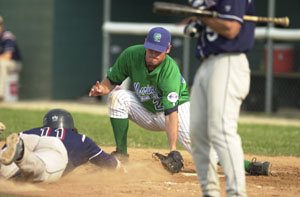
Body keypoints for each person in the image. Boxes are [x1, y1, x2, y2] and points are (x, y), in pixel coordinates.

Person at [88, 27, 270, 176]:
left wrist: (173, 150)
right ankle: (121, 153)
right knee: (116, 97)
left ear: (167, 49)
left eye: (158, 50)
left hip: (177, 110)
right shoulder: (131, 55)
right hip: (147, 110)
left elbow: (170, 114)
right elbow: (111, 82)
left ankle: (248, 166)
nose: (153, 53)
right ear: (145, 44)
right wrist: (101, 89)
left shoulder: (169, 71)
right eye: (150, 48)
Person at [187, 0, 257, 196]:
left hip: (228, 61)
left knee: (221, 130)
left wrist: (201, 14)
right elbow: (197, 28)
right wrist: (198, 18)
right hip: (206, 63)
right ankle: (209, 191)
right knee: (198, 133)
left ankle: (236, 193)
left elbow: (230, 28)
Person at [0, 108, 123, 182]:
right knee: (41, 171)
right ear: (71, 127)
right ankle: (21, 154)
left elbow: (6, 150)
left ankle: (21, 150)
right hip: (53, 147)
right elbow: (108, 162)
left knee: (4, 171)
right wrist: (121, 167)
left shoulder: (31, 131)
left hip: (26, 138)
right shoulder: (80, 139)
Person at [0, 15, 22, 101]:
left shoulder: (7, 36)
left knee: (2, 64)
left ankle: (0, 95)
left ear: (2, 26)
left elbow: (8, 56)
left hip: (15, 63)